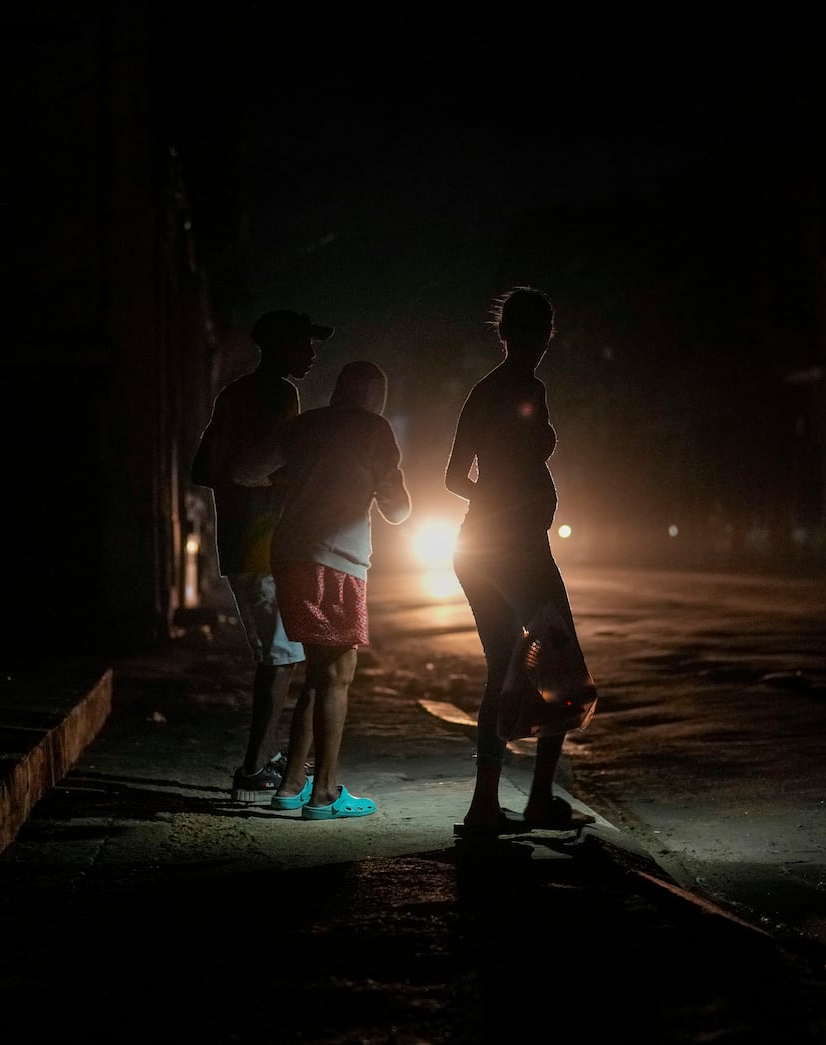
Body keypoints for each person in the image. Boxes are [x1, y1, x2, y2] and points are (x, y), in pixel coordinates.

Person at [443, 286, 595, 837]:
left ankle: (489, 805)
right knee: (559, 668)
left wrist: (494, 498)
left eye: (542, 332)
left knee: (506, 671)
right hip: (515, 550)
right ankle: (531, 801)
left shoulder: (489, 390)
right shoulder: (517, 388)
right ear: (511, 334)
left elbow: (455, 477)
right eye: (533, 331)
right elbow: (468, 476)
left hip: (482, 548)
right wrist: (507, 498)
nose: (538, 342)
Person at [234, 361, 411, 820]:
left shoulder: (306, 424)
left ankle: (293, 785)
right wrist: (374, 489)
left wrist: (291, 478)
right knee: (338, 677)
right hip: (337, 560)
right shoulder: (375, 429)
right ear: (375, 398)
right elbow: (398, 509)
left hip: (289, 555)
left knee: (317, 671)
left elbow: (245, 470)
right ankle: (326, 793)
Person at [191, 309, 331, 804]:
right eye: (304, 345)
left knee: (277, 655)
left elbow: (203, 469)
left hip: (238, 543)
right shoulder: (281, 395)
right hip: (267, 545)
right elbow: (286, 465)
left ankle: (265, 757)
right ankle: (253, 770)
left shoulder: (232, 395)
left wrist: (241, 488)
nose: (312, 354)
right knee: (281, 659)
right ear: (279, 347)